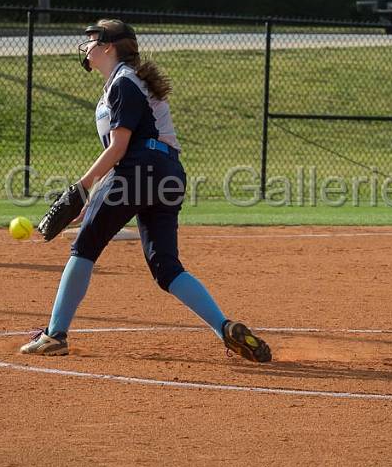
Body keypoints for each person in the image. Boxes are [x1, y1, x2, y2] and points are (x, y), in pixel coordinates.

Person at [20, 19, 271, 362]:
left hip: (140, 169)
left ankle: (54, 335)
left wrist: (81, 187)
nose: (87, 48)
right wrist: (91, 199)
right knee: (166, 267)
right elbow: (133, 152)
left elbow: (120, 148)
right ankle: (224, 328)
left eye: (93, 41)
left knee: (85, 248)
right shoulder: (124, 83)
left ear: (109, 47)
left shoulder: (123, 83)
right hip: (167, 174)